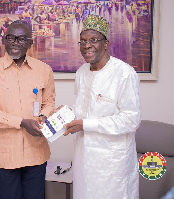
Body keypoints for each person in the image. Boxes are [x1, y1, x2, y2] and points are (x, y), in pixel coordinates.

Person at [62, 14, 140, 198]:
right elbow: (83, 110)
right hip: (84, 160)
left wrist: (85, 124)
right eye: (82, 41)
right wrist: (65, 114)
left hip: (112, 165)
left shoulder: (124, 74)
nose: (87, 45)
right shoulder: (81, 72)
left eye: (93, 40)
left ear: (106, 43)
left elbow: (131, 120)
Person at [0, 20, 56, 199]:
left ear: (30, 43)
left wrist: (43, 117)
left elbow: (49, 102)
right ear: (4, 40)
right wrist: (21, 122)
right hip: (6, 155)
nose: (14, 42)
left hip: (36, 152)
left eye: (21, 39)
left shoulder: (44, 70)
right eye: (10, 38)